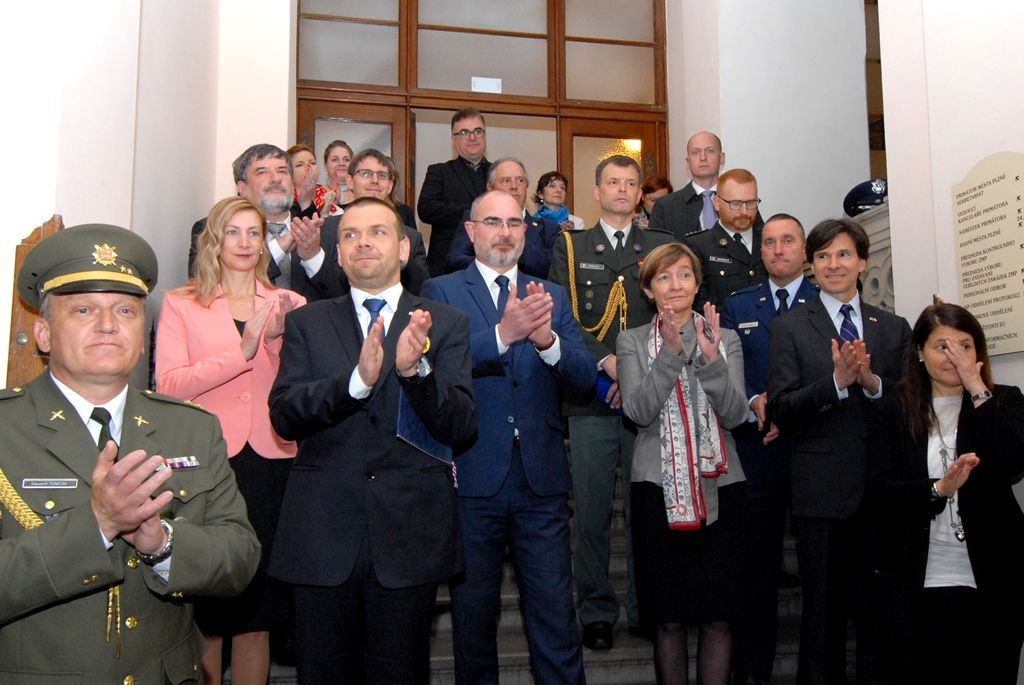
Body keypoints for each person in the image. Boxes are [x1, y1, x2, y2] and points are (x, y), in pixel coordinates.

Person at [1, 223, 259, 683]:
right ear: (43, 333)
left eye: (125, 310)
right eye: (83, 309)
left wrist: (163, 544)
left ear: (143, 335)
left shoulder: (192, 427)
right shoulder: (7, 428)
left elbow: (239, 558)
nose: (108, 325)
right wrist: (97, 525)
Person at [268, 196, 476, 683]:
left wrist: (416, 372)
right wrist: (354, 384)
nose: (363, 243)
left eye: (378, 232)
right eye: (351, 235)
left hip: (409, 537)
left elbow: (461, 425)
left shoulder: (445, 323)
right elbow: (285, 415)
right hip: (322, 537)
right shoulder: (307, 322)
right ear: (338, 255)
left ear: (403, 249)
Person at [422, 189, 594, 684]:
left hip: (541, 482)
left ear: (526, 231)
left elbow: (584, 377)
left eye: (514, 223)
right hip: (473, 480)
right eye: (492, 222)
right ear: (470, 231)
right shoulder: (441, 291)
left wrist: (548, 341)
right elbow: (435, 367)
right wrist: (504, 335)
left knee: (556, 618)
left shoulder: (550, 293)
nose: (504, 232)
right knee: (474, 620)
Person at [156, 197, 306, 685]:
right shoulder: (182, 303)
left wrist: (276, 342)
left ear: (265, 243)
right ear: (215, 242)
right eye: (233, 232)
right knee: (211, 610)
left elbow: (298, 389)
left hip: (272, 460)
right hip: (208, 464)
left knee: (259, 612)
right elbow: (169, 386)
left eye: (253, 233)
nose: (244, 243)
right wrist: (240, 352)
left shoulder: (290, 304)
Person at [767, 218, 911, 685]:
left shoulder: (893, 328)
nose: (834, 264)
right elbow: (783, 408)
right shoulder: (789, 326)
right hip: (822, 495)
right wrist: (836, 383)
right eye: (824, 256)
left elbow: (910, 407)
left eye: (844, 254)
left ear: (862, 262)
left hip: (883, 493)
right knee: (822, 619)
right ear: (812, 264)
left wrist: (870, 383)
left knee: (880, 617)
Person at [548, 154, 676, 649]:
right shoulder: (571, 246)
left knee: (647, 510)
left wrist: (637, 372)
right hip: (591, 399)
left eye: (630, 183)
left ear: (640, 195)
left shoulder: (660, 246)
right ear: (596, 192)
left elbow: (672, 312)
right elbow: (563, 316)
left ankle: (647, 607)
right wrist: (606, 363)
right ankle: (597, 610)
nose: (622, 190)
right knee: (593, 512)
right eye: (612, 182)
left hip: (650, 398)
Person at [865, 303, 1024, 684]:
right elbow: (880, 491)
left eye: (964, 346)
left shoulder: (1004, 400)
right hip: (922, 577)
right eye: (942, 346)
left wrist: (977, 389)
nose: (954, 356)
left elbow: (1013, 463)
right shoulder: (893, 411)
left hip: (994, 576)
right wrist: (938, 489)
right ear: (920, 353)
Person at [617, 242, 749, 685]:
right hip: (657, 490)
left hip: (722, 489)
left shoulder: (725, 338)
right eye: (664, 277)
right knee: (669, 619)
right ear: (648, 289)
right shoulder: (633, 341)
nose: (675, 285)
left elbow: (736, 415)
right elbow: (638, 412)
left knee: (719, 618)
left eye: (684, 275)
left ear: (697, 284)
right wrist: (670, 357)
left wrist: (711, 360)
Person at [721, 213, 819, 685]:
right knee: (755, 564)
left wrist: (791, 408)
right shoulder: (739, 304)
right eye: (770, 242)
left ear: (805, 250)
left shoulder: (826, 302)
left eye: (788, 241)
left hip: (813, 450)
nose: (778, 250)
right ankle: (751, 669)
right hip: (756, 450)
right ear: (760, 252)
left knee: (819, 565)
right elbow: (725, 371)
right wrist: (753, 400)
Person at [187, 144, 326, 292]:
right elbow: (205, 290)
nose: (276, 179)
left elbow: (337, 294)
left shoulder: (319, 228)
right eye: (262, 172)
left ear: (292, 184)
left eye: (282, 171)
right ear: (242, 188)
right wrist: (278, 248)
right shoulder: (212, 228)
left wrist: (312, 256)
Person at [299, 148, 430, 299]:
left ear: (389, 186)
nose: (375, 180)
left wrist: (401, 256)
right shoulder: (323, 231)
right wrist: (311, 256)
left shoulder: (410, 238)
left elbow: (422, 294)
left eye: (382, 175)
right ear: (350, 181)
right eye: (366, 174)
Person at [445, 157, 564, 278]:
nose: (514, 186)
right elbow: (454, 260)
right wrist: (494, 266)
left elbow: (556, 268)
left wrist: (513, 248)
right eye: (506, 181)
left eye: (520, 180)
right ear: (490, 188)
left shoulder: (548, 228)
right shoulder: (474, 218)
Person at [418, 107, 491, 276]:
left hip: (491, 263)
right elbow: (426, 210)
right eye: (464, 132)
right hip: (447, 266)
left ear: (485, 135)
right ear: (454, 139)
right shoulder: (439, 172)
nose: (472, 137)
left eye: (477, 131)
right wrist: (476, 212)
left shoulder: (499, 173)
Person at [683, 168, 767, 309]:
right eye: (736, 203)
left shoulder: (769, 241)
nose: (744, 211)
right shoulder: (698, 246)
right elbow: (699, 301)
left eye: (751, 203)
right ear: (717, 203)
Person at [649, 131, 727, 239]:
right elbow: (656, 247)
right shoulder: (666, 206)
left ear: (722, 158)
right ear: (688, 162)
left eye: (710, 151)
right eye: (695, 152)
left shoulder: (739, 202)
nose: (703, 158)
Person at [288, 143, 336, 217]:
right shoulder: (283, 205)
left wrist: (325, 212)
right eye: (299, 165)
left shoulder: (331, 203)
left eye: (313, 163)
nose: (308, 167)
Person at [323, 139, 355, 209]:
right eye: (335, 160)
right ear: (325, 165)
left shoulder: (361, 192)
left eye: (346, 160)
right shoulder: (316, 193)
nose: (341, 163)